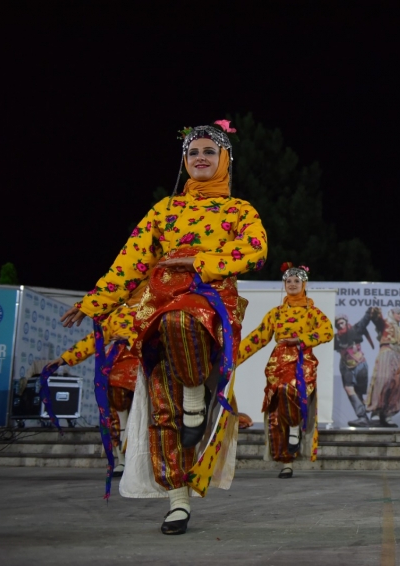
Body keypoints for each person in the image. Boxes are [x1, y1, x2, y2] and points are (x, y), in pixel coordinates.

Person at [61, 120, 267, 535]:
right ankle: (177, 501)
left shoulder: (240, 210)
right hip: (158, 305)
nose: (201, 159)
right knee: (161, 407)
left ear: (225, 158)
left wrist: (197, 262)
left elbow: (256, 250)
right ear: (184, 162)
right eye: (193, 153)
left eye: (210, 151)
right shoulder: (165, 210)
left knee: (179, 320)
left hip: (210, 305)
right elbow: (131, 261)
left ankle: (196, 394)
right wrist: (94, 302)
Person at [236, 263, 334, 478]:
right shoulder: (276, 313)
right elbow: (258, 337)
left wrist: (301, 339)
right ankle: (286, 461)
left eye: (296, 281)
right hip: (278, 362)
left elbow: (327, 332)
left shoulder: (313, 312)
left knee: (291, 390)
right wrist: (233, 359)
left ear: (304, 284)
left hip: (302, 360)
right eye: (288, 281)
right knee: (276, 407)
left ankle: (295, 429)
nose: (291, 284)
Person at [48, 287, 143, 477]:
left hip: (144, 360)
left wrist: (131, 338)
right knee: (114, 407)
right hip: (117, 363)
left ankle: (144, 460)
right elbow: (95, 339)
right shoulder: (116, 314)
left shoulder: (154, 307)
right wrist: (65, 358)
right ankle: (122, 460)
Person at [365, 307, 400, 427]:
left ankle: (388, 414)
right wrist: (376, 311)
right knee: (384, 380)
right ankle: (376, 411)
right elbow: (377, 319)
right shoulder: (385, 324)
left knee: (397, 384)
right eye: (398, 314)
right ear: (391, 314)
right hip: (388, 352)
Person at [334, 311, 376, 427]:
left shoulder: (355, 329)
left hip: (360, 365)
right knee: (349, 389)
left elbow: (364, 321)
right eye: (338, 325)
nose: (340, 326)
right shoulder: (336, 338)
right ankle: (362, 416)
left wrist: (369, 311)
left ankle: (366, 416)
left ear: (346, 322)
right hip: (346, 367)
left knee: (359, 392)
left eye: (341, 323)